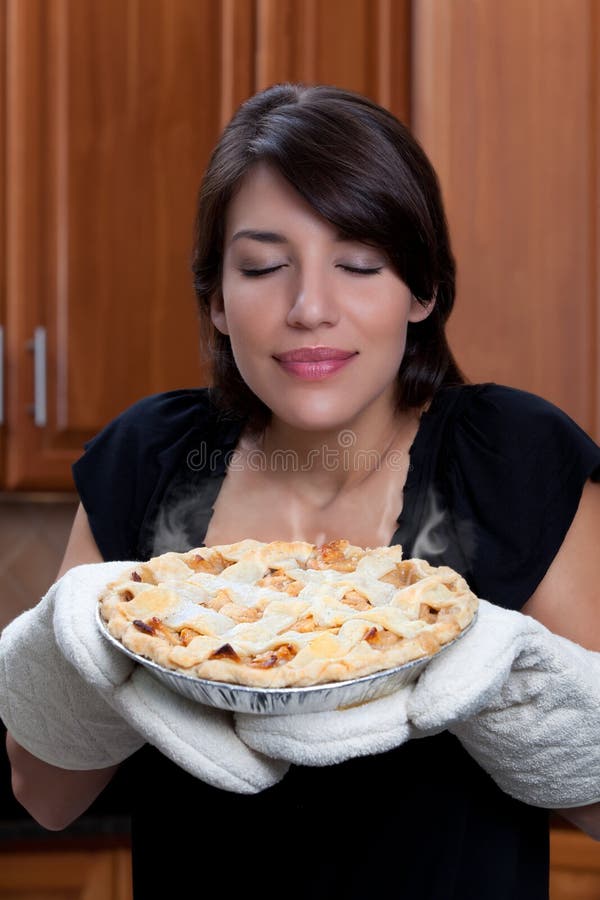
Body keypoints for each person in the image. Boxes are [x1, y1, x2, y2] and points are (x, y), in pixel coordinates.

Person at [3, 82, 600, 899]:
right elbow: (48, 796)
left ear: (421, 292)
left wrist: (508, 690)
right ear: (216, 298)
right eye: (263, 266)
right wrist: (73, 650)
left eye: (358, 264)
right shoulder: (147, 460)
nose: (310, 308)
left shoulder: (515, 461)